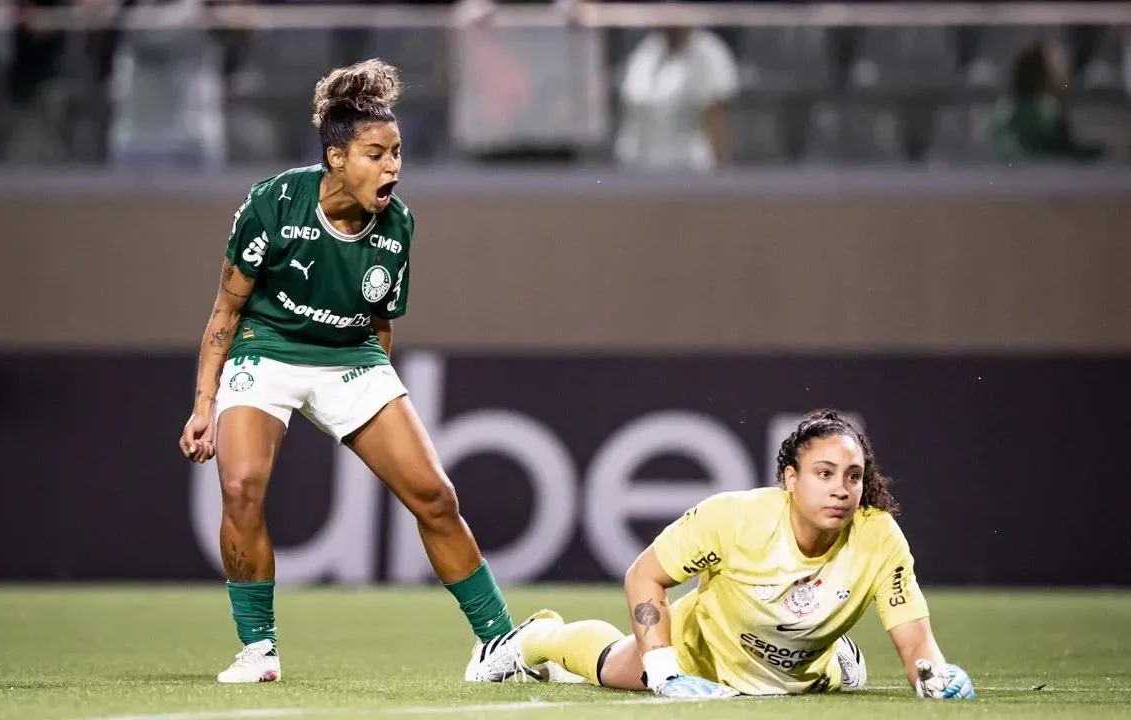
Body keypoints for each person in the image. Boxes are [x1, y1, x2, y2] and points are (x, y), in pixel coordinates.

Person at [178, 59, 516, 684]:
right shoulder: (272, 203)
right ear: (337, 157)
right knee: (240, 488)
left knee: (436, 496)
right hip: (264, 348)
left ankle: (498, 644)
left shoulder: (398, 226)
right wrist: (205, 405)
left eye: (397, 153)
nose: (393, 166)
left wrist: (361, 411)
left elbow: (382, 325)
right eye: (375, 153)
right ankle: (259, 650)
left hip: (350, 357)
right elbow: (225, 310)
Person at [478, 409, 976, 700]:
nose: (841, 489)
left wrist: (936, 676)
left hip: (802, 672)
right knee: (609, 666)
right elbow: (643, 576)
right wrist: (664, 669)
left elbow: (916, 646)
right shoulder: (733, 519)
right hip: (700, 651)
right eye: (823, 474)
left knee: (831, 677)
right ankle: (537, 637)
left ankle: (835, 657)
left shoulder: (879, 537)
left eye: (852, 476)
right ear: (790, 479)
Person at [614, 23, 738, 173]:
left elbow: (717, 122)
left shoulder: (711, 54)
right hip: (639, 169)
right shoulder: (646, 52)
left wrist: (723, 177)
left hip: (691, 173)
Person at [990, 39, 1107, 164]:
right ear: (1044, 73)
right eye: (1061, 68)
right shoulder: (1048, 110)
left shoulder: (1004, 106)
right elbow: (1067, 152)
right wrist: (1105, 148)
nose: (1067, 75)